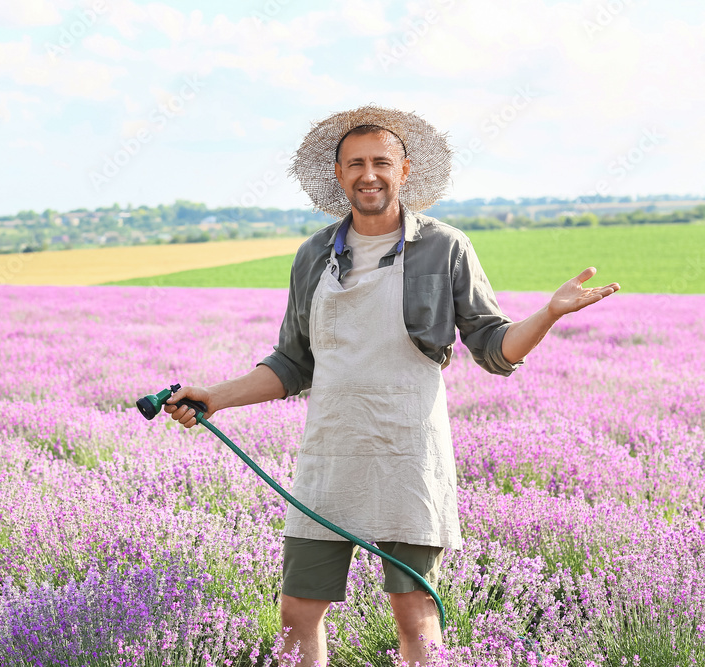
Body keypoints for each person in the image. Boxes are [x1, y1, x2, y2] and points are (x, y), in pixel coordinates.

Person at [164, 104, 619, 666]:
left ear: (405, 171)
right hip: (329, 454)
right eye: (355, 163)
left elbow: (493, 347)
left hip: (409, 453)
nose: (369, 174)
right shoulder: (313, 255)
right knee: (297, 613)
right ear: (338, 175)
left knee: (414, 612)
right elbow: (290, 363)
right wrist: (215, 395)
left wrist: (548, 314)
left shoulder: (445, 246)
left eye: (381, 161)